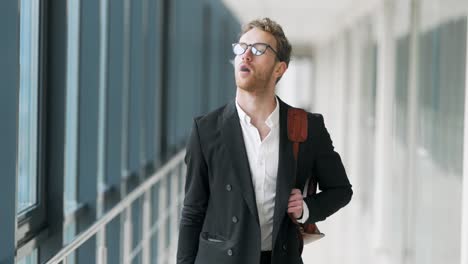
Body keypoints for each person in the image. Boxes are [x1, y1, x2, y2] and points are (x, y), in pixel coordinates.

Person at [176, 17, 352, 264]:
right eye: (241, 47)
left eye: (259, 50)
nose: (246, 55)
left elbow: (341, 191)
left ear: (280, 69)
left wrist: (306, 210)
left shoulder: (307, 126)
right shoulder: (206, 129)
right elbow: (193, 212)